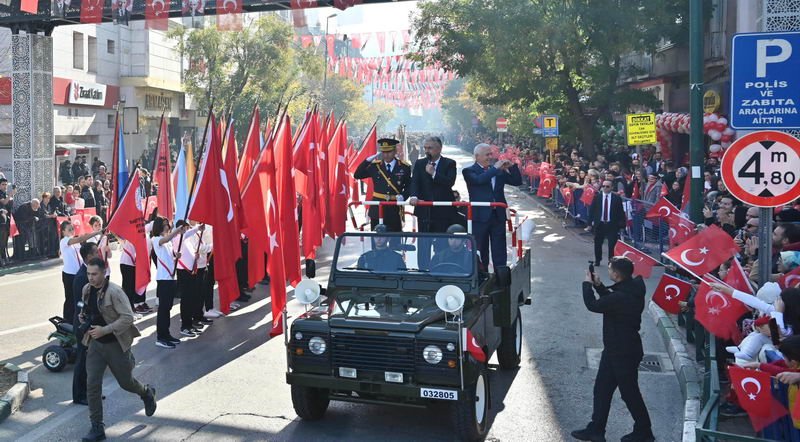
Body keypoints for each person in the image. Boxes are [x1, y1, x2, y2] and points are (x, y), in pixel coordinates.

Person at [572, 257, 654, 442]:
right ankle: (596, 430)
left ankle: (644, 432)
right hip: (616, 349)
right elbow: (611, 300)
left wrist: (587, 285)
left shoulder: (622, 297)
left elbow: (593, 305)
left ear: (616, 275)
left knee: (629, 393)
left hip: (623, 351)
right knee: (602, 390)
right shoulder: (632, 288)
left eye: (610, 270)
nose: (608, 272)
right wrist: (599, 286)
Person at [79, 258, 157, 442]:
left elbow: (128, 318)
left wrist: (104, 330)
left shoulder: (114, 292)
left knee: (126, 383)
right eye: (88, 274)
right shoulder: (86, 290)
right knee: (92, 385)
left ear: (104, 272)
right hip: (95, 345)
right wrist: (84, 318)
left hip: (115, 345)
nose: (90, 277)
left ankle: (146, 392)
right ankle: (97, 427)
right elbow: (87, 310)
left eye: (94, 274)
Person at [463, 143, 522, 270]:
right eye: (487, 155)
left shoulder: (498, 171)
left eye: (491, 154)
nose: (490, 157)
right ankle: (482, 276)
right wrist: (494, 169)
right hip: (480, 217)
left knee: (499, 249)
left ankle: (500, 277)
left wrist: (512, 167)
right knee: (481, 249)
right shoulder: (469, 171)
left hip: (498, 215)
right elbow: (479, 180)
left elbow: (517, 181)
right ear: (477, 156)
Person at [408, 136, 457, 268]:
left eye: (430, 148)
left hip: (443, 211)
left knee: (442, 243)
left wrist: (434, 173)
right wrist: (413, 196)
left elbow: (449, 182)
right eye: (425, 148)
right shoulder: (419, 163)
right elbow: (415, 182)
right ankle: (423, 270)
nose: (427, 151)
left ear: (439, 148)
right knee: (424, 243)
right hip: (424, 211)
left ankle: (440, 268)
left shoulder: (449, 163)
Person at [353, 138, 412, 232]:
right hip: (377, 208)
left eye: (389, 152)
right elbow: (357, 175)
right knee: (377, 240)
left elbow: (410, 186)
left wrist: (403, 197)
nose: (386, 155)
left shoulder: (404, 167)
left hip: (394, 208)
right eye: (384, 152)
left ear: (395, 151)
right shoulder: (375, 166)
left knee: (395, 240)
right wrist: (367, 161)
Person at [151, 216, 189, 349]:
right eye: (165, 224)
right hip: (163, 279)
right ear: (159, 226)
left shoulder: (167, 243)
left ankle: (166, 334)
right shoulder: (156, 239)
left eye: (167, 224)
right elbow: (166, 239)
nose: (167, 226)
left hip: (171, 278)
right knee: (163, 309)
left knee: (168, 308)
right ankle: (160, 337)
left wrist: (175, 256)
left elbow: (168, 257)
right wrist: (177, 230)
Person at [71, 241, 99, 406]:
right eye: (95, 252)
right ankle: (79, 395)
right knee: (82, 360)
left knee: (91, 361)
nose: (98, 254)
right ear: (88, 256)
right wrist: (86, 318)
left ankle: (90, 392)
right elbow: (80, 303)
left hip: (91, 323)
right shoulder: (82, 277)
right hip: (83, 324)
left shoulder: (90, 273)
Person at [60, 221, 102, 322]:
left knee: (80, 297)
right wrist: (96, 232)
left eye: (72, 229)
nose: (72, 231)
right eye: (69, 229)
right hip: (69, 274)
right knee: (70, 298)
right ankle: (68, 319)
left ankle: (79, 317)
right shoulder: (64, 241)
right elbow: (81, 238)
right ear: (63, 232)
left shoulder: (76, 242)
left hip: (79, 273)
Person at [173, 220, 204, 337]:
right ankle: (185, 326)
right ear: (181, 228)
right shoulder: (178, 238)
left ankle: (190, 324)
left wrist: (195, 256)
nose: (187, 229)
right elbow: (187, 233)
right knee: (186, 299)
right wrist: (197, 229)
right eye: (186, 227)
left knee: (191, 298)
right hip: (184, 272)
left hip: (191, 272)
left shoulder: (186, 240)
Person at [590, 180, 626, 266]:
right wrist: (589, 223)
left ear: (612, 187)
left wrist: (622, 225)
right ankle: (597, 260)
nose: (605, 188)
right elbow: (592, 210)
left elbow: (621, 212)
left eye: (607, 186)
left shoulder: (616, 198)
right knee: (598, 243)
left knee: (612, 245)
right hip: (600, 224)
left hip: (612, 225)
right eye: (603, 186)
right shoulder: (597, 197)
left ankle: (611, 261)